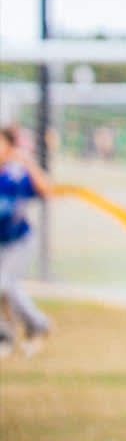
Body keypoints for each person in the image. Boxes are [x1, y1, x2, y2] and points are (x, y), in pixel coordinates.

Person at [0, 126, 54, 356]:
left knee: (4, 284)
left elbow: (45, 188)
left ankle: (38, 323)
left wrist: (26, 161)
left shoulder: (15, 175)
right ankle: (6, 335)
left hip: (18, 241)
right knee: (4, 289)